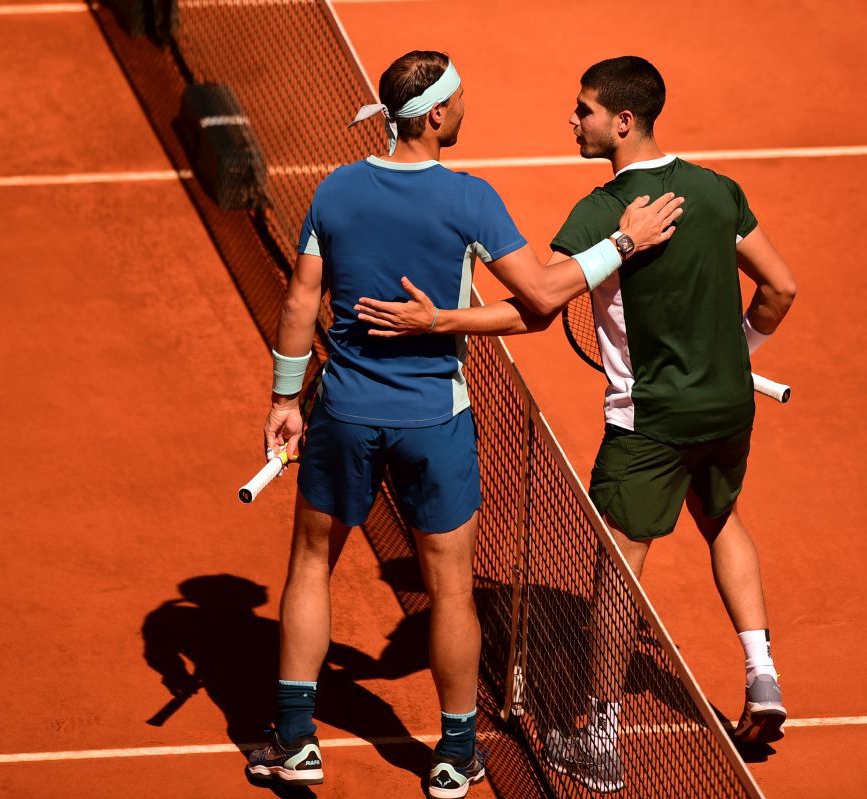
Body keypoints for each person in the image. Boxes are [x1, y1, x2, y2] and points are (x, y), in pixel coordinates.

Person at [355, 55, 797, 793]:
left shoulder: (599, 213)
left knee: (617, 571)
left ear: (623, 122)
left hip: (647, 423)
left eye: (584, 110)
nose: (572, 119)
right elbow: (781, 286)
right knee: (722, 520)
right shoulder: (720, 191)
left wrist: (443, 321)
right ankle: (763, 676)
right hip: (728, 407)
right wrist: (735, 353)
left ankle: (599, 735)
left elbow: (537, 307)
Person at [249, 50, 683, 798]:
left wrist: (286, 400)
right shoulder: (470, 200)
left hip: (344, 413)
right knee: (451, 590)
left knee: (312, 564)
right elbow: (543, 295)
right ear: (440, 116)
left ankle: (295, 740)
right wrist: (622, 242)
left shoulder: (337, 190)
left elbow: (297, 305)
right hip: (435, 421)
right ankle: (454, 755)